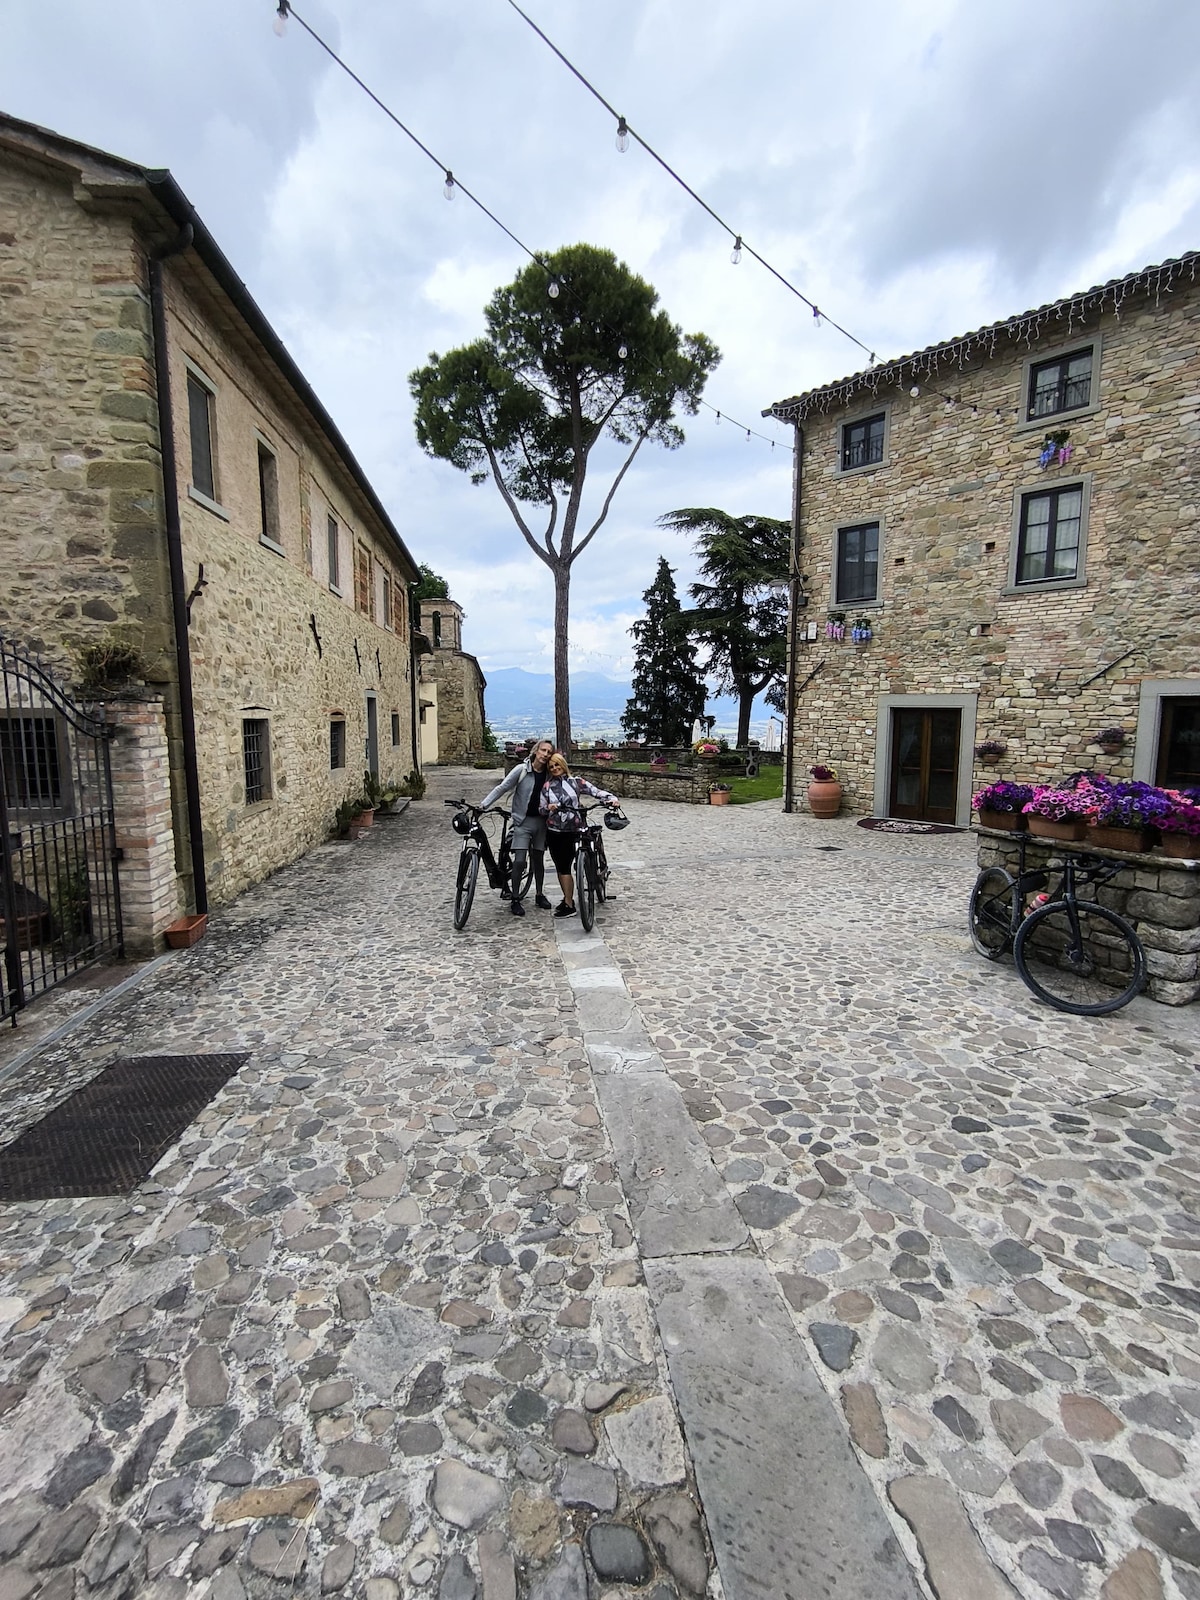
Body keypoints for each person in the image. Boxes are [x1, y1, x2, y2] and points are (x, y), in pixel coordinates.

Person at [539, 751, 618, 916]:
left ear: (563, 765)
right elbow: (541, 808)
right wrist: (548, 808)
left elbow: (595, 791)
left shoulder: (576, 782)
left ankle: (591, 873)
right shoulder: (546, 787)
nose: (554, 768)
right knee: (562, 867)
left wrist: (611, 798)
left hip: (575, 827)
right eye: (551, 766)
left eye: (557, 765)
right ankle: (568, 902)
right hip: (556, 830)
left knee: (585, 848)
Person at [480, 739, 554, 916]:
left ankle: (539, 894)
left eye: (549, 752)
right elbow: (502, 788)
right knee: (520, 860)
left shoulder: (550, 774)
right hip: (522, 822)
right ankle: (515, 898)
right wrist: (484, 805)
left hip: (541, 823)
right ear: (535, 751)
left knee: (538, 860)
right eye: (543, 750)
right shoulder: (522, 770)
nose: (545, 754)